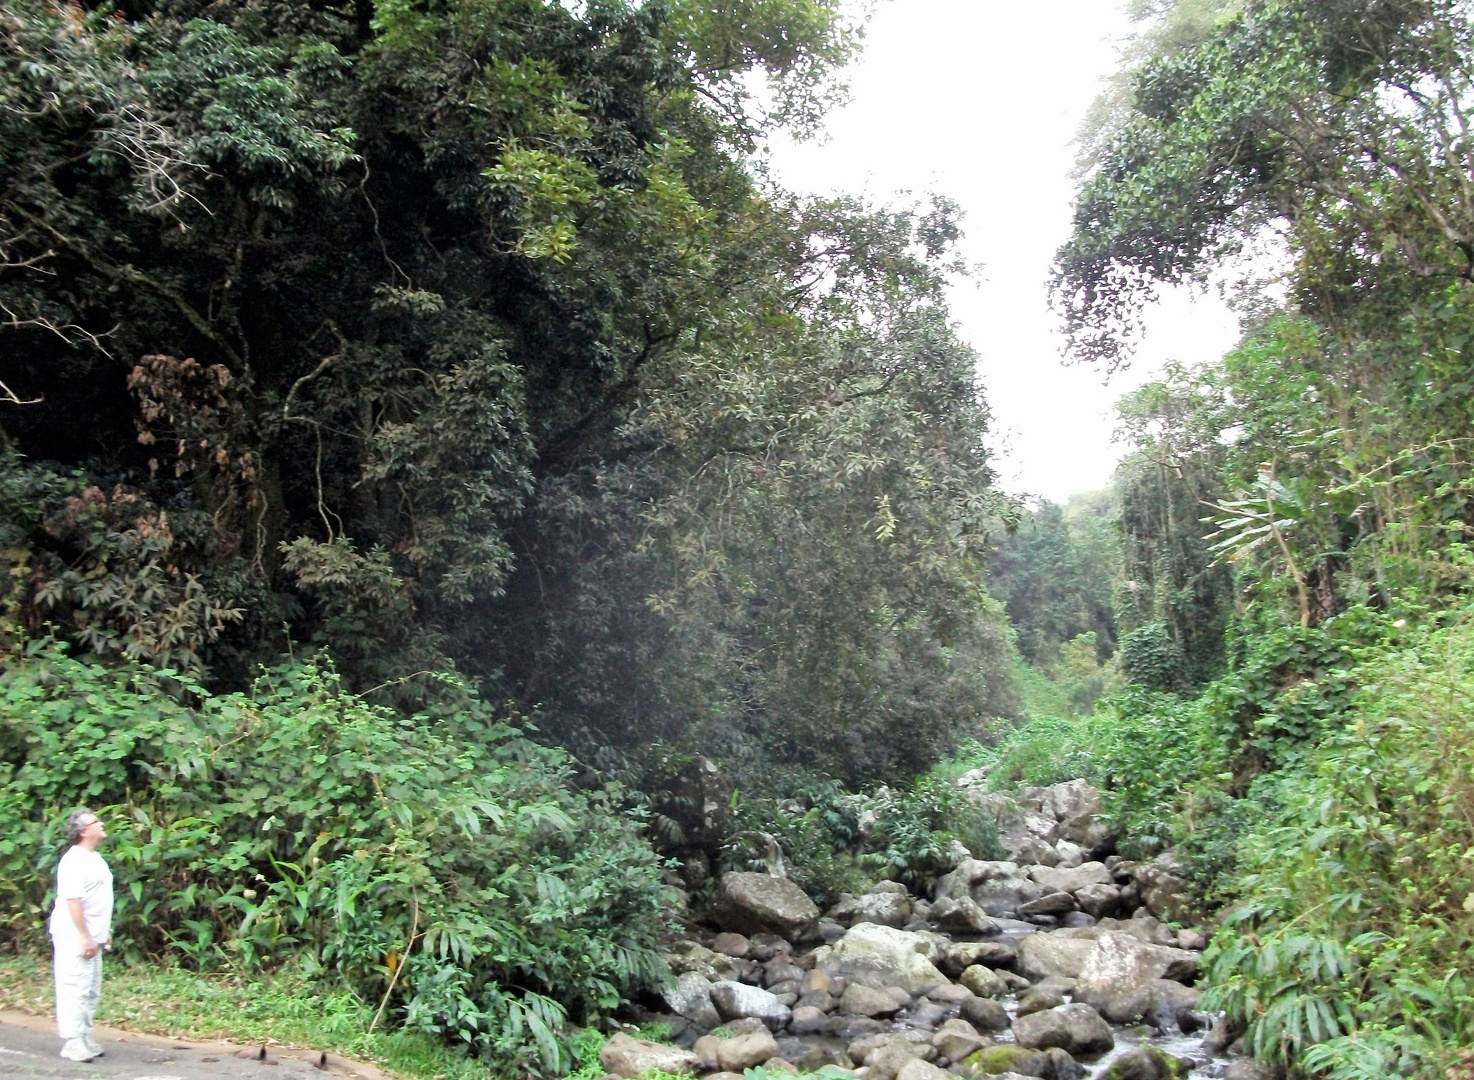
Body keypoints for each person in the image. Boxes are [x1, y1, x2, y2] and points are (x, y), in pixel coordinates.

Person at [49, 808, 113, 1063]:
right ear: (84, 831)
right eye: (96, 822)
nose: (102, 824)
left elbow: (99, 899)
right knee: (74, 986)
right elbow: (73, 901)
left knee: (90, 988)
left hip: (93, 934)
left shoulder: (94, 858)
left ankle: (84, 1035)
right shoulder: (73, 861)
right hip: (74, 935)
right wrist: (84, 936)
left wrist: (103, 931)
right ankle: (72, 1041)